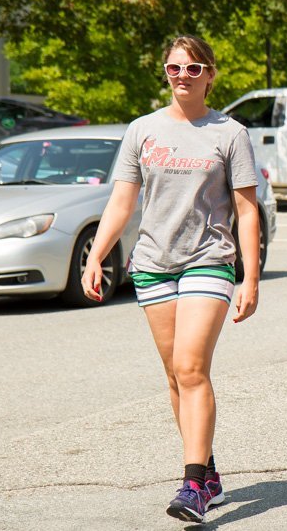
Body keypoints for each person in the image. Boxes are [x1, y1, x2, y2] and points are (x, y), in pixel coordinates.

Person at [80, 35, 261, 523]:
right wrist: (96, 256)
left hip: (209, 259)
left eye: (194, 68)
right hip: (152, 265)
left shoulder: (230, 133)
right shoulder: (143, 130)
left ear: (211, 75)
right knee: (175, 375)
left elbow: (247, 211)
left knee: (191, 367)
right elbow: (122, 201)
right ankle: (210, 470)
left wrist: (251, 278)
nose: (183, 75)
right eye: (174, 68)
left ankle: (194, 486)